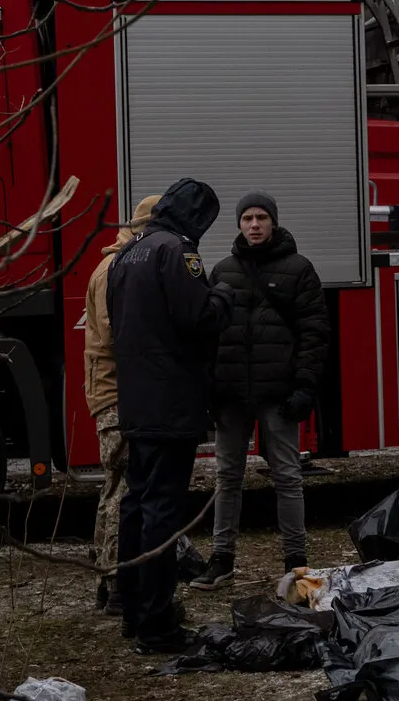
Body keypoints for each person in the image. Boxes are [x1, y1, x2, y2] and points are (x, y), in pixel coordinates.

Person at [107, 177, 232, 652]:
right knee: (161, 510)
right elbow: (198, 319)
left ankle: (134, 612)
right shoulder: (177, 252)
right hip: (171, 400)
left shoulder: (126, 254)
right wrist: (222, 296)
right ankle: (158, 625)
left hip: (137, 399)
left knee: (137, 505)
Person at [195, 190, 328, 588]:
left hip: (278, 394)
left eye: (261, 218)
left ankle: (296, 562)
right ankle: (222, 560)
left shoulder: (299, 269)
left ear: (273, 222)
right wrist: (208, 390)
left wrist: (304, 386)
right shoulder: (222, 271)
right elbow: (208, 338)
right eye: (247, 218)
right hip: (231, 395)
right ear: (238, 224)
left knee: (287, 476)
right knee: (227, 477)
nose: (254, 225)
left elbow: (314, 333)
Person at [82, 193, 158, 615]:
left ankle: (106, 580)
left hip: (109, 390)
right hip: (116, 394)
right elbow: (115, 335)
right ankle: (115, 584)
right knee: (123, 490)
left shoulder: (110, 264)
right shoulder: (116, 268)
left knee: (113, 489)